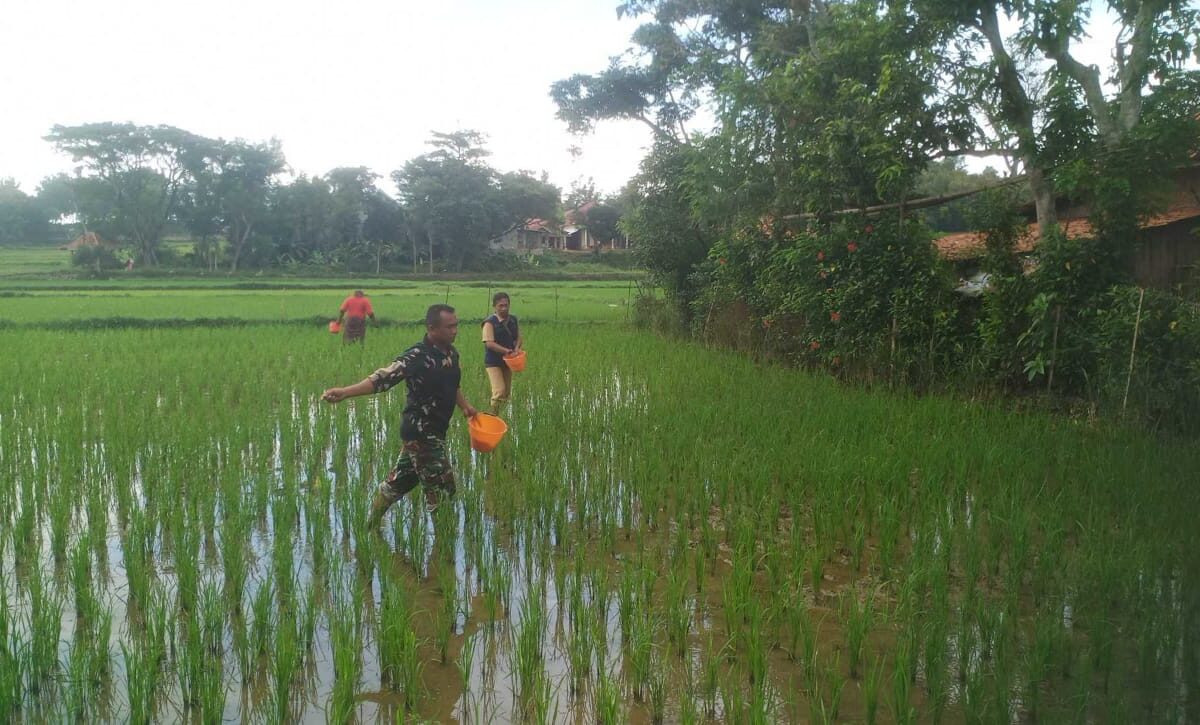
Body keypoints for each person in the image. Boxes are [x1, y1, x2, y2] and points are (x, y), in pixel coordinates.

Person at [322, 304, 478, 526]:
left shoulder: (451, 353)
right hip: (421, 433)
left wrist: (465, 407)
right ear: (432, 328)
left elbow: (452, 385)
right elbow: (383, 378)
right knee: (443, 489)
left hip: (435, 431)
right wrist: (345, 392)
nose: (455, 331)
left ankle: (369, 527)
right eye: (449, 327)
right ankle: (445, 549)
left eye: (456, 326)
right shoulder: (416, 356)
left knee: (398, 483)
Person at [481, 291, 522, 411]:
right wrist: (507, 351)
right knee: (499, 391)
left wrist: (516, 349)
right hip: (493, 362)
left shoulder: (513, 319)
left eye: (506, 305)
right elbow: (489, 344)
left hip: (508, 361)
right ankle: (492, 417)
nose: (504, 308)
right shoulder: (489, 323)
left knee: (507, 393)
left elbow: (519, 337)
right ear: (494, 306)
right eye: (501, 306)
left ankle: (500, 418)